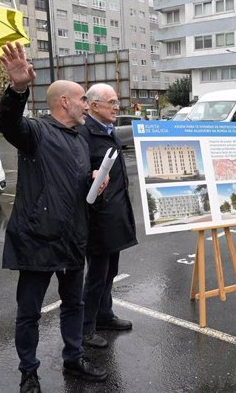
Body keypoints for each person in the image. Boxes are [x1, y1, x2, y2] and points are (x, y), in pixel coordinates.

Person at [0, 42, 109, 393]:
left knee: (74, 303)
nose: (87, 106)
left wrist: (93, 181)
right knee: (29, 312)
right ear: (64, 102)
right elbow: (6, 122)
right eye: (82, 101)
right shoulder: (35, 132)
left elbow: (73, 181)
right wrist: (17, 89)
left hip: (73, 236)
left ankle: (73, 358)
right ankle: (29, 371)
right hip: (37, 240)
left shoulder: (78, 138)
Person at [78, 84, 137, 349]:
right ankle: (85, 328)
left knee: (110, 270)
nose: (116, 107)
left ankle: (104, 314)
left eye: (116, 102)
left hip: (114, 213)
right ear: (93, 106)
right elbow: (79, 175)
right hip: (97, 217)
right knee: (97, 274)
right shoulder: (84, 134)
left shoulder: (107, 130)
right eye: (111, 102)